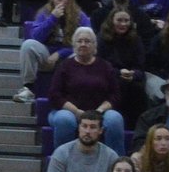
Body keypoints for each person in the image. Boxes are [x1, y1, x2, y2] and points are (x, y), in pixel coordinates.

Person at [48, 26, 125, 154]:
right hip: (69, 112)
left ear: (95, 45)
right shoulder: (65, 66)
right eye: (80, 41)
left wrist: (99, 111)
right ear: (74, 44)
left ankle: (116, 164)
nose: (83, 44)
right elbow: (54, 95)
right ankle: (63, 161)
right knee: (64, 120)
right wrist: (77, 111)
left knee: (115, 119)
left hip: (100, 112)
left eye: (87, 41)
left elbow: (115, 95)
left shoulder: (105, 66)